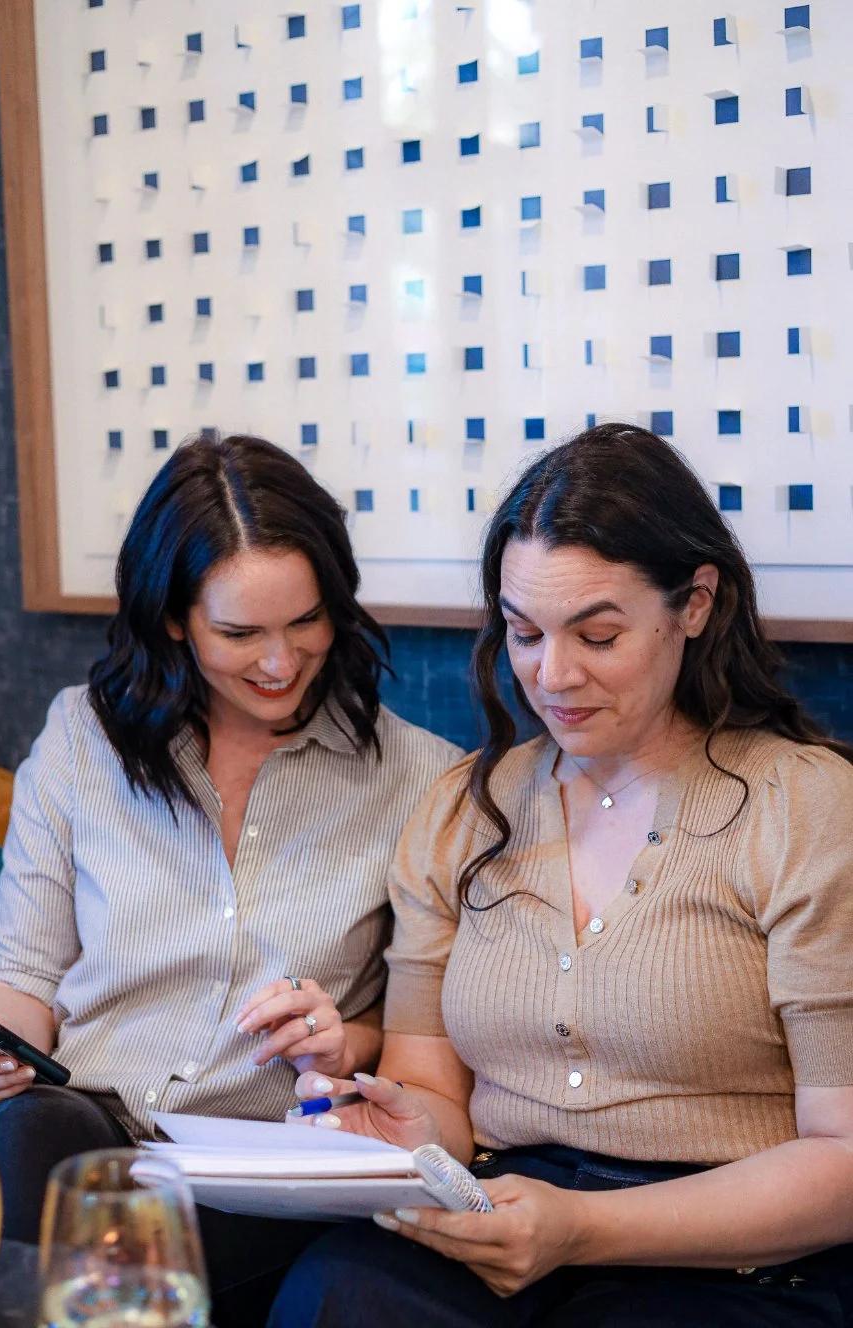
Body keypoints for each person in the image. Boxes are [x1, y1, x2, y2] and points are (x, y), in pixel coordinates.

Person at [271, 422, 853, 1327]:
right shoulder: (465, 807)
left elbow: (845, 1160)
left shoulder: (804, 806)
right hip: (507, 1213)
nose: (554, 674)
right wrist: (402, 1136)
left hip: (729, 1252)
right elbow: (437, 1099)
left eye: (599, 634)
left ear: (695, 603)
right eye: (524, 632)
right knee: (333, 1290)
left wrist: (583, 1226)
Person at [0, 432, 462, 1324]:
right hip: (92, 1123)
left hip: (268, 1159)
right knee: (30, 1135)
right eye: (240, 632)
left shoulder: (421, 779)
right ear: (174, 617)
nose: (281, 662)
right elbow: (24, 975)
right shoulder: (81, 740)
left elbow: (420, 1039)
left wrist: (345, 1044)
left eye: (307, 622)